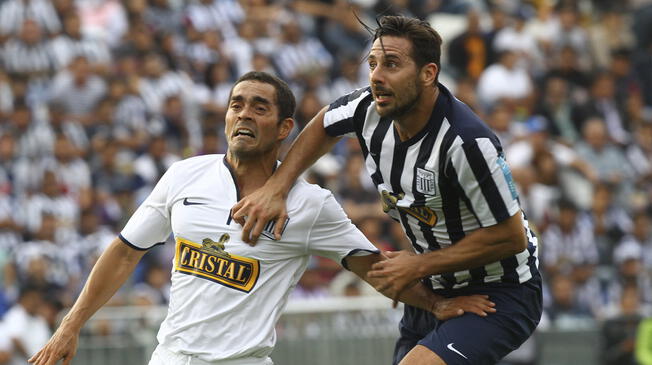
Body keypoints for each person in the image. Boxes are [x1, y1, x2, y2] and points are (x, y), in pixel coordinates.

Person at [28, 71, 495, 365]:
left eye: (259, 107)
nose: (243, 114)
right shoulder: (183, 176)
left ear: (285, 128)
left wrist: (436, 307)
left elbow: (371, 267)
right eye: (236, 104)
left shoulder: (311, 205)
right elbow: (125, 253)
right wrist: (70, 327)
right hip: (168, 356)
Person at [231, 16, 542, 365]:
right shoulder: (368, 109)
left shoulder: (466, 141)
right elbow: (323, 124)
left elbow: (511, 236)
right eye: (373, 64)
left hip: (500, 290)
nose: (376, 76)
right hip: (433, 287)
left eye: (392, 64)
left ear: (428, 74)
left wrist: (418, 265)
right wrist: (278, 187)